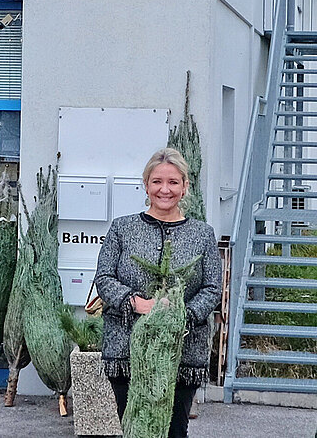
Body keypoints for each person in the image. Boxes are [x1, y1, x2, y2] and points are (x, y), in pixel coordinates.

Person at [94, 147, 223, 438]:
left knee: (175, 430)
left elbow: (213, 287)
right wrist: (137, 303)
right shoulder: (122, 229)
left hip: (183, 350)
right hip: (126, 346)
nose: (165, 189)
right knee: (135, 426)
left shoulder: (202, 234)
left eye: (173, 182)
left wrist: (180, 314)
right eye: (157, 182)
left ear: (185, 186)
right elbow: (104, 278)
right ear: (146, 184)